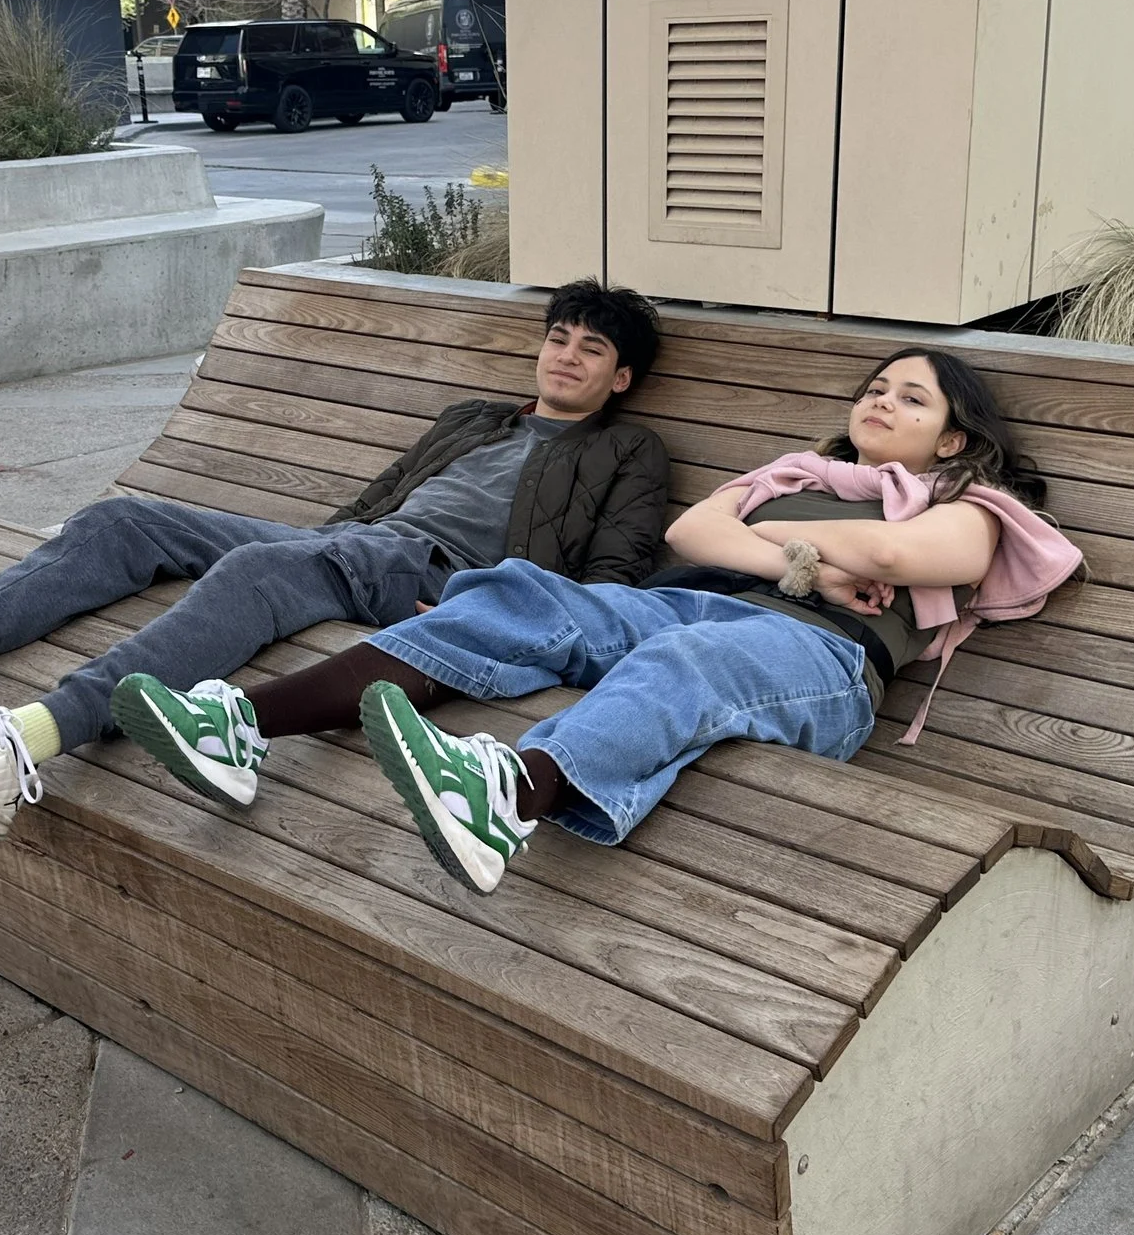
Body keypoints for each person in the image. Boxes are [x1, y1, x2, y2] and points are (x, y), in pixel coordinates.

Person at [0, 280, 670, 836]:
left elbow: (611, 583)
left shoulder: (628, 451)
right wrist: (324, 542)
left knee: (256, 577)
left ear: (619, 378)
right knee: (124, 522)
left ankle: (20, 744)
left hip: (441, 583)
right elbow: (372, 503)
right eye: (558, 338)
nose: (566, 357)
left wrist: (477, 620)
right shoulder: (475, 417)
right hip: (360, 547)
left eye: (591, 350)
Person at [115, 348, 1083, 893]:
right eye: (875, 387)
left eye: (910, 398)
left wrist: (805, 572)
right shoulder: (800, 474)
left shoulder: (976, 511)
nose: (881, 401)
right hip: (690, 601)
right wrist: (802, 563)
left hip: (819, 664)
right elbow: (695, 526)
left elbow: (897, 559)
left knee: (693, 661)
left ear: (951, 436)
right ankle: (237, 727)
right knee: (517, 595)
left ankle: (503, 800)